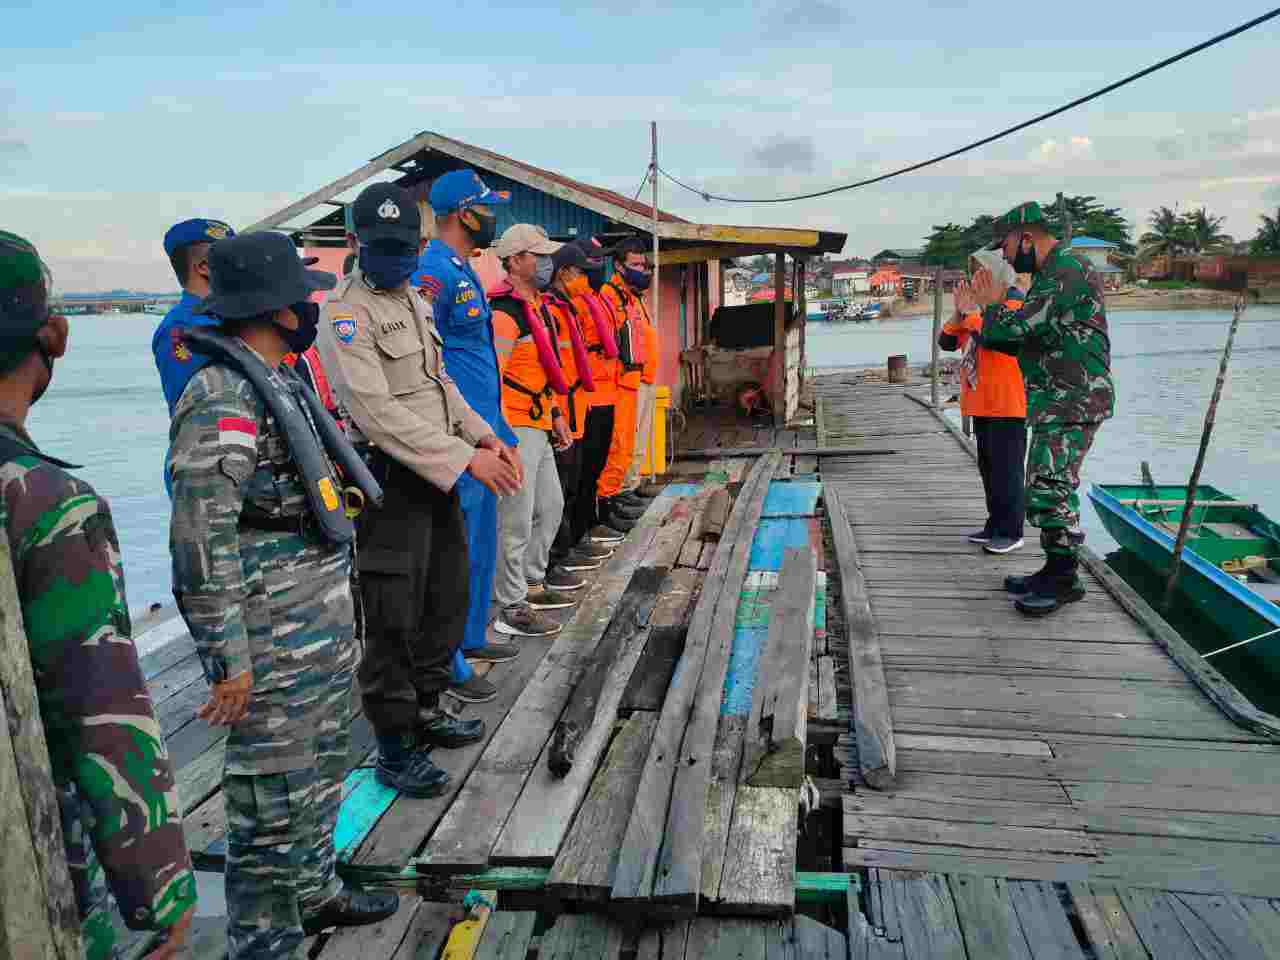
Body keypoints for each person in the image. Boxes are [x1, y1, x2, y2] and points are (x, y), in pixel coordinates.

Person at [168, 230, 399, 956]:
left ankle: (314, 891)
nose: (309, 304)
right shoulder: (222, 397)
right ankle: (263, 941)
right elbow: (200, 539)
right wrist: (227, 657)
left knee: (323, 766)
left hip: (320, 626)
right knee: (270, 802)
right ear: (271, 306)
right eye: (298, 294)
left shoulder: (282, 376)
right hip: (270, 640)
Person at [0, 231, 196, 959]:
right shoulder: (43, 501)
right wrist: (162, 888)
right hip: (29, 856)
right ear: (53, 336)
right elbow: (100, 710)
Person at [317, 184, 522, 795]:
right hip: (388, 481)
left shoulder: (414, 302)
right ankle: (394, 744)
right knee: (392, 616)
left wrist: (485, 437)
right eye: (382, 247)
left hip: (440, 472)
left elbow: (441, 386)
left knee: (445, 598)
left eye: (406, 247)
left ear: (422, 244)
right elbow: (374, 411)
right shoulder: (344, 314)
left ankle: (430, 709)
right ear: (355, 243)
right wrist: (466, 458)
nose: (397, 258)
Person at [969, 200, 1115, 616]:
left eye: (1009, 249)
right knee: (1045, 485)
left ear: (1027, 238)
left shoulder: (1068, 270)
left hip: (1076, 396)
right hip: (1059, 398)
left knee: (1051, 487)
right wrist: (996, 310)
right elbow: (1005, 338)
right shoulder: (1052, 273)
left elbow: (1013, 328)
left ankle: (1065, 579)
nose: (1007, 258)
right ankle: (1053, 569)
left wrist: (995, 302)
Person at [413, 169, 522, 703]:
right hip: (457, 437)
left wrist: (498, 431)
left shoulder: (464, 267)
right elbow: (430, 363)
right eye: (485, 207)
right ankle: (449, 657)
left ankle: (473, 635)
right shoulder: (431, 272)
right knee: (453, 552)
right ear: (461, 213)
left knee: (480, 542)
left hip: (482, 430)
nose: (491, 216)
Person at [487, 224, 577, 635]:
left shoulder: (538, 306)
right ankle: (511, 605)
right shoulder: (504, 317)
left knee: (551, 507)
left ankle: (532, 581)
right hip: (516, 426)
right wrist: (499, 435)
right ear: (515, 260)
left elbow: (544, 369)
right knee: (516, 520)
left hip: (541, 420)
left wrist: (557, 413)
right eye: (537, 256)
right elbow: (494, 379)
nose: (546, 263)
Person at [943, 250, 1028, 555]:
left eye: (984, 276)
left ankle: (1013, 530)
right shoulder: (977, 312)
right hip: (980, 402)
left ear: (1000, 278)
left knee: (1009, 472)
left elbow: (994, 334)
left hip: (1007, 404)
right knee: (990, 470)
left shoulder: (1016, 308)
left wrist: (971, 314)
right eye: (975, 276)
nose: (977, 282)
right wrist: (958, 313)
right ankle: (996, 523)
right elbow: (947, 341)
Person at [543, 240, 614, 574]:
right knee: (558, 491)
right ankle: (556, 557)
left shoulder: (569, 308)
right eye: (581, 273)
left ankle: (571, 544)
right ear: (565, 273)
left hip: (577, 408)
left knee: (575, 484)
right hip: (559, 411)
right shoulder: (550, 310)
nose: (586, 280)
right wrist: (555, 412)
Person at [564, 236, 627, 551]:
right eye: (594, 261)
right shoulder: (575, 303)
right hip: (588, 397)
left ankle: (594, 521)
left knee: (599, 463)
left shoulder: (598, 298)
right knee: (584, 471)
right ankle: (579, 533)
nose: (599, 266)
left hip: (608, 391)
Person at [596, 237, 653, 531]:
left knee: (634, 442)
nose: (642, 270)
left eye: (644, 264)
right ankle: (613, 497)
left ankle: (626, 490)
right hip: (621, 380)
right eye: (635, 264)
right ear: (618, 265)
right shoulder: (609, 296)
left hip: (639, 377)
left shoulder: (632, 297)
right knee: (620, 442)